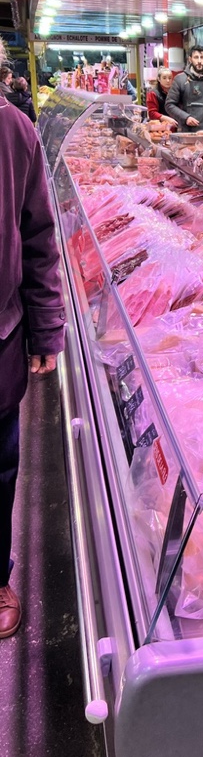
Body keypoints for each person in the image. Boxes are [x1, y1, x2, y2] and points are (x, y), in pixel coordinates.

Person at [0, 64, 65, 638]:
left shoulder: (15, 131)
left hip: (0, 340)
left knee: (0, 468)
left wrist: (46, 329)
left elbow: (40, 238)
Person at [165, 45, 203, 133]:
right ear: (190, 59)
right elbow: (169, 105)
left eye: (202, 57)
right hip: (185, 133)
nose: (199, 61)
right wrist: (186, 117)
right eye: (196, 57)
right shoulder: (180, 80)